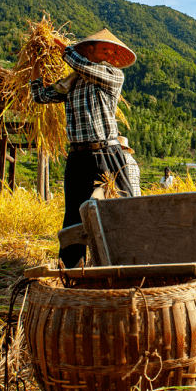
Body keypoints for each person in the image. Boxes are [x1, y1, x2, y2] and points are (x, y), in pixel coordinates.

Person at [31, 28, 136, 267]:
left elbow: (81, 65)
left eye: (112, 50)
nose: (109, 53)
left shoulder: (112, 75)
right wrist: (36, 63)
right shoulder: (71, 83)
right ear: (89, 50)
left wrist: (60, 47)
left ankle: (126, 262)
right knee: (74, 214)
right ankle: (71, 267)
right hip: (78, 156)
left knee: (118, 207)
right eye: (103, 48)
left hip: (106, 154)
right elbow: (40, 96)